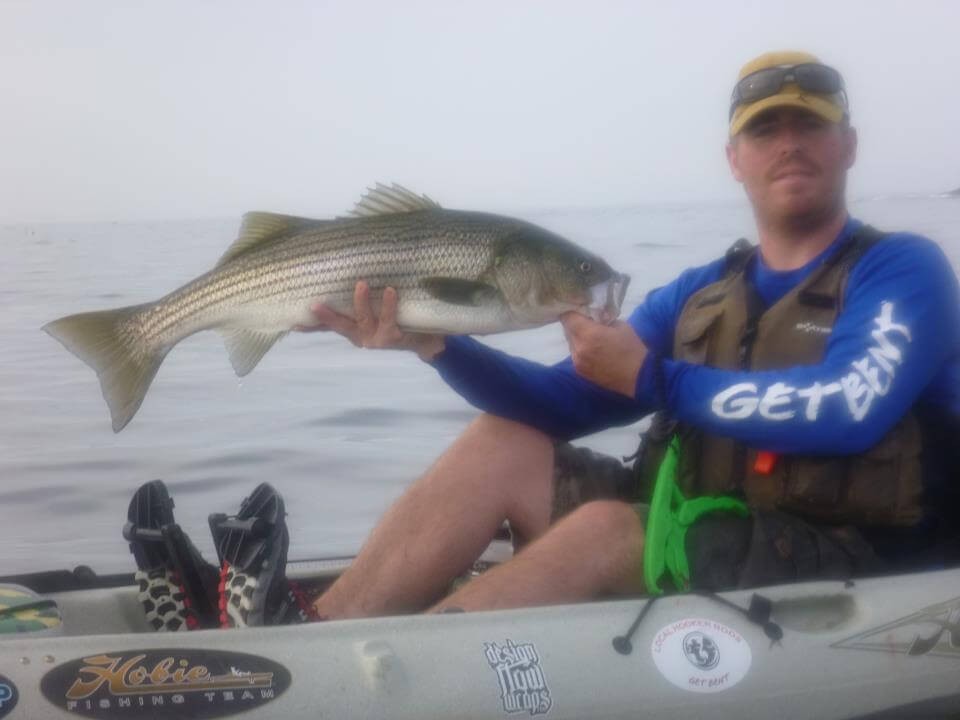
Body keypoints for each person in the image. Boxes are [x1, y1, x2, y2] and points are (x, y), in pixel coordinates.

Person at [125, 50, 960, 631]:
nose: (790, 143)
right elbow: (559, 404)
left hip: (858, 560)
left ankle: (404, 667)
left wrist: (655, 379)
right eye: (767, 129)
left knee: (609, 530)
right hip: (698, 525)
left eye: (811, 125)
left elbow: (850, 407)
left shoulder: (902, 271)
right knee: (503, 441)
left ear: (849, 145)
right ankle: (312, 633)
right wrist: (435, 346)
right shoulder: (701, 293)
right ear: (734, 157)